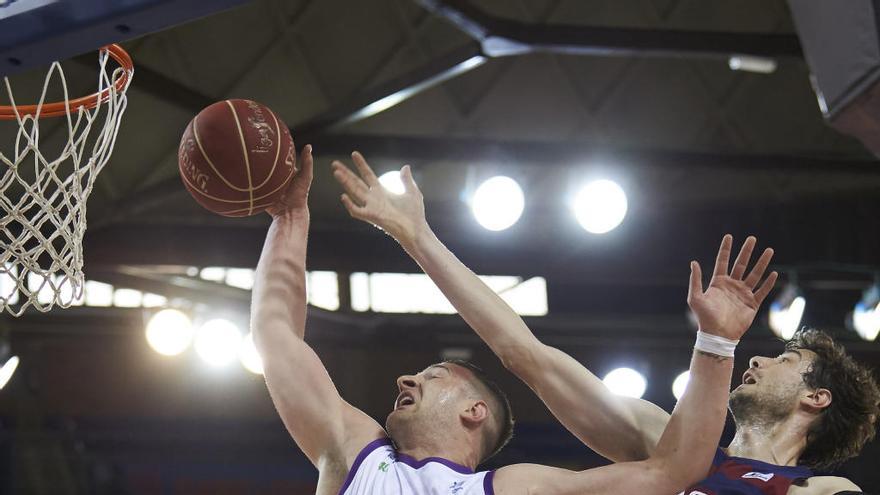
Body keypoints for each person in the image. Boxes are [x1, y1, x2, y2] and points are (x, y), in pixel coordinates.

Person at [330, 153, 880, 495]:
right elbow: (525, 353)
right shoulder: (663, 443)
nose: (759, 359)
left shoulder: (823, 492)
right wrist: (418, 238)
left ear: (817, 399)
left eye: (786, 361)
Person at [252, 145, 771, 495]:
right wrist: (290, 217)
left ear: (475, 411)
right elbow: (276, 338)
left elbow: (671, 472)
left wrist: (717, 342)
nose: (407, 378)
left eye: (433, 377)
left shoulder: (518, 488)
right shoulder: (354, 452)